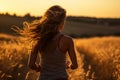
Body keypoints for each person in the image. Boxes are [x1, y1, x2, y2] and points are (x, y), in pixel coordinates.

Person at [16, 5, 78, 80]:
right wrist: (68, 65)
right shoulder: (68, 40)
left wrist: (38, 68)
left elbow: (31, 64)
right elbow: (75, 65)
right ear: (61, 22)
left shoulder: (37, 39)